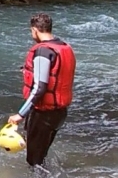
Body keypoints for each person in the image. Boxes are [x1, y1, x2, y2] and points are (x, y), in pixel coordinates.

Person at [7, 12, 76, 167]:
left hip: (43, 114)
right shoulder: (63, 46)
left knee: (34, 161)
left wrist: (20, 114)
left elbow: (39, 88)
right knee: (42, 154)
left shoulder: (43, 51)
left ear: (35, 30)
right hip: (59, 113)